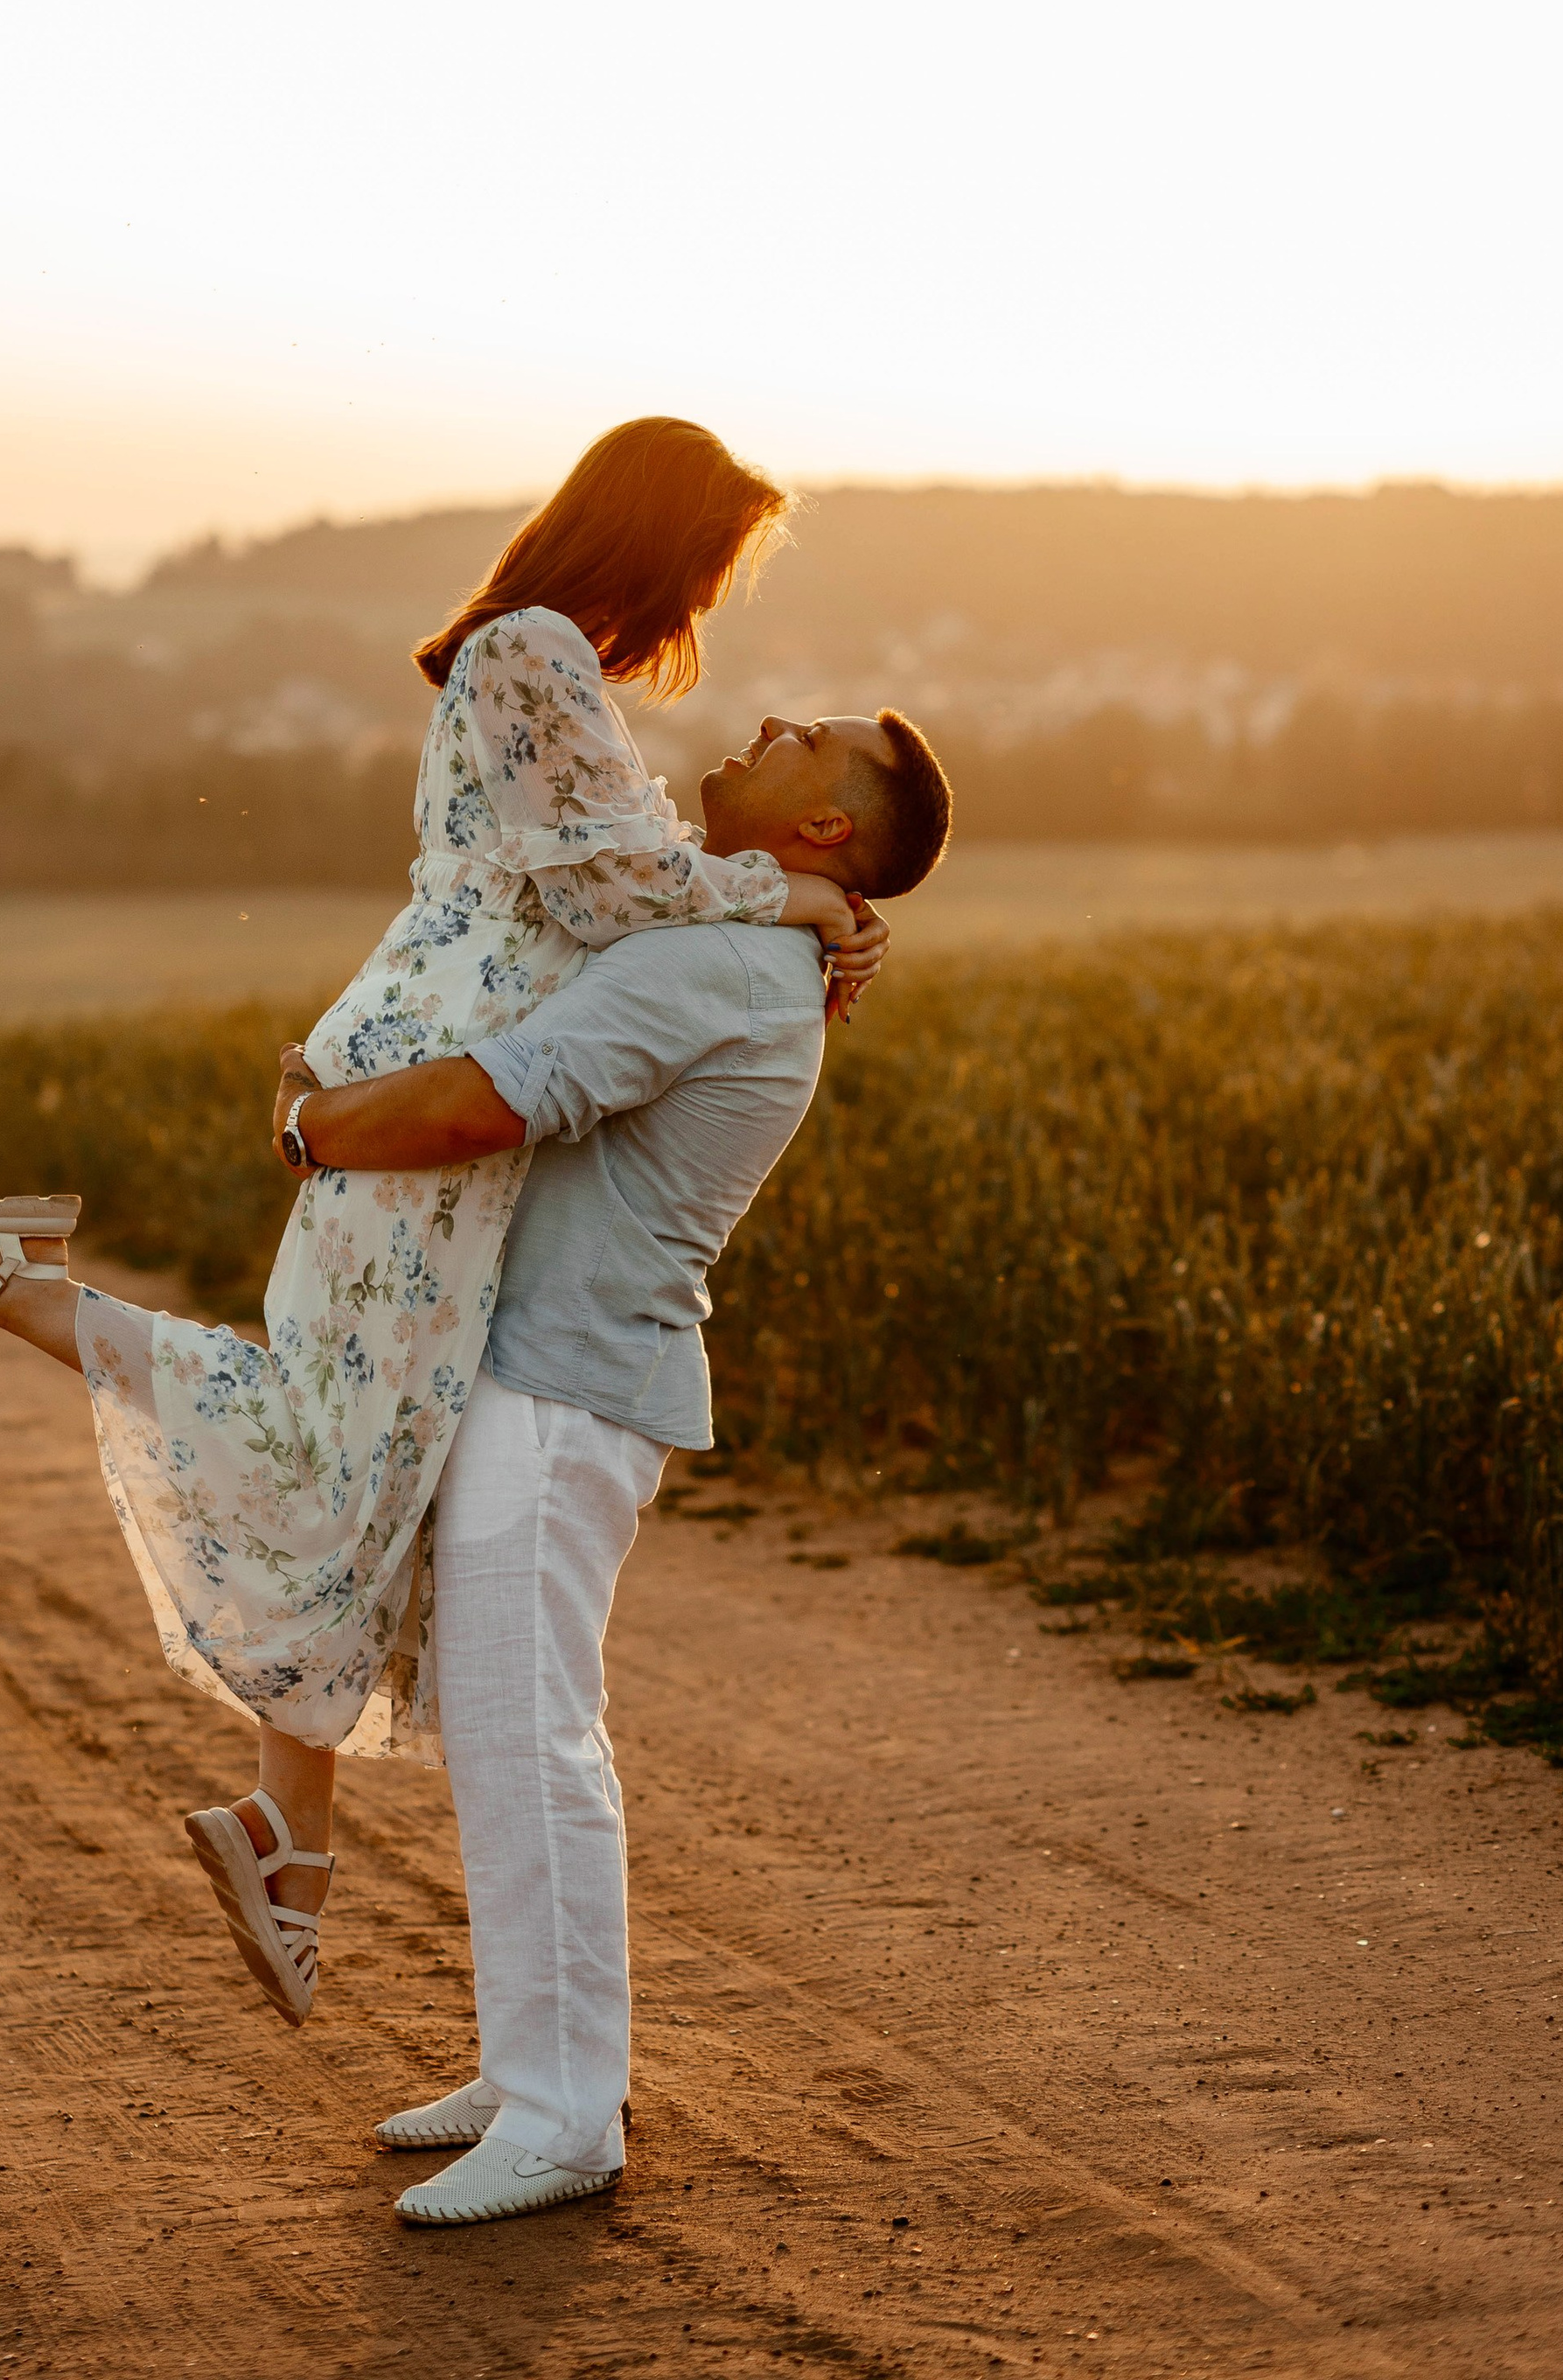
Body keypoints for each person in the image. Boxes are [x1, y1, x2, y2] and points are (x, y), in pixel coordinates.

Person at [0, 417, 888, 2014]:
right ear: (654, 536)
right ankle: (9, 1287)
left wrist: (795, 909)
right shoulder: (533, 648)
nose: (710, 604)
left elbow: (625, 873)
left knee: (359, 1439)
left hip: (433, 1057)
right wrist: (795, 895)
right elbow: (611, 894)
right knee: (341, 1438)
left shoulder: (543, 666)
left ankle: (287, 1832)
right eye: (713, 564)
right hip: (437, 1085)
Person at [266, 698, 952, 2225]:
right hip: (546, 1379)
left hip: (564, 1390)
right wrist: (822, 911)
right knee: (504, 1731)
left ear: (827, 826)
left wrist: (310, 1131)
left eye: (806, 734)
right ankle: (530, 2072)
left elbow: (488, 1099)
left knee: (533, 1740)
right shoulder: (741, 933)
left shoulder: (717, 963)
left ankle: (571, 2114)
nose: (765, 720)